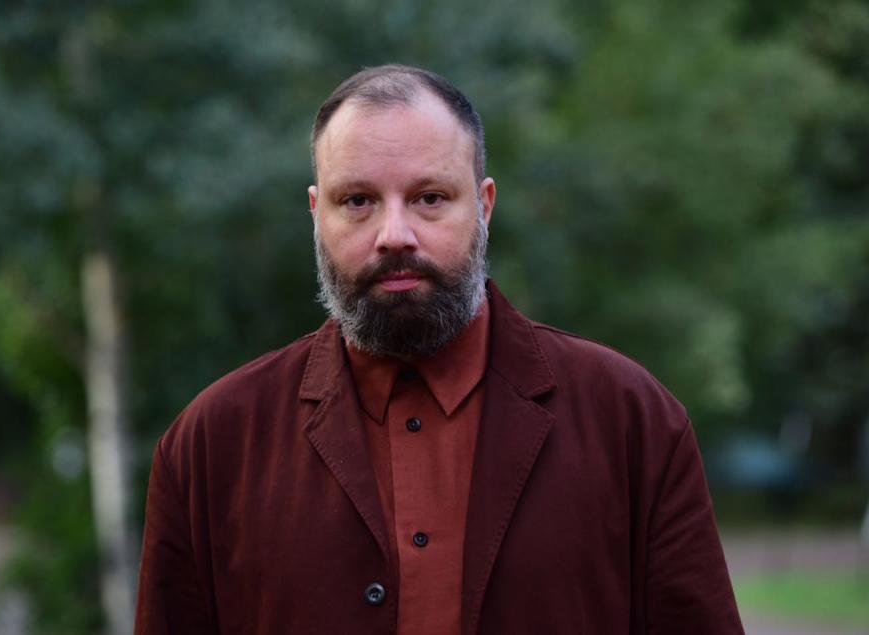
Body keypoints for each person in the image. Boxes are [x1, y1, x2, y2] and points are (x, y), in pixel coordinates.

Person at [134, 64, 744, 634]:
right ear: (317, 214)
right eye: (358, 201)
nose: (394, 235)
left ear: (483, 206)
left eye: (429, 198)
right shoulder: (213, 444)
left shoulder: (632, 420)